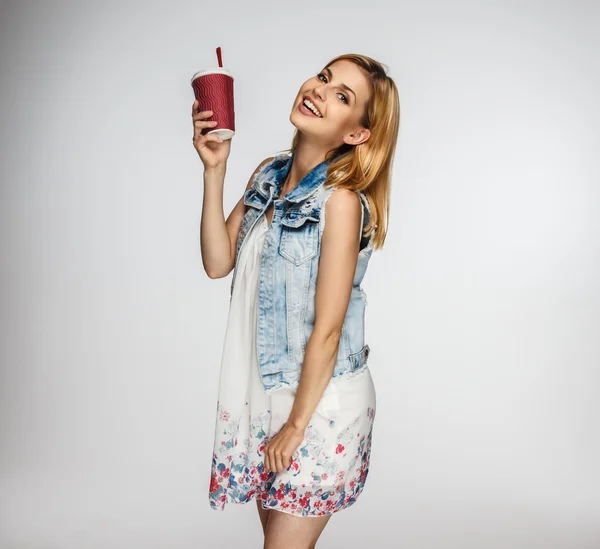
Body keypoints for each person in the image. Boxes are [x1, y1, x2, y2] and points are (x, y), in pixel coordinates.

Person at [193, 53, 400, 549]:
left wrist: (296, 426)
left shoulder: (342, 203)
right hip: (268, 395)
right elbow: (218, 261)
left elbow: (328, 329)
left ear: (357, 134)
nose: (320, 90)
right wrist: (214, 170)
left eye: (342, 96)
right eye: (325, 78)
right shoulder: (268, 174)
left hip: (318, 406)